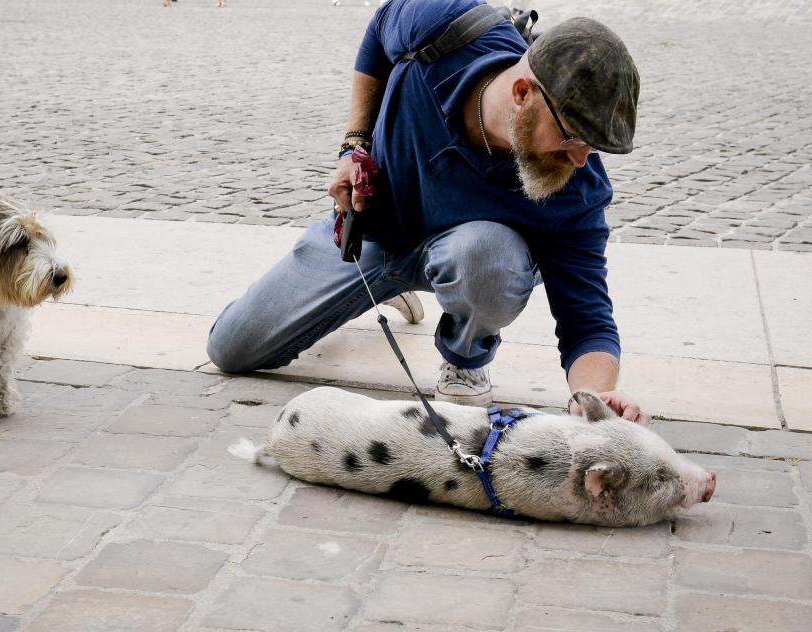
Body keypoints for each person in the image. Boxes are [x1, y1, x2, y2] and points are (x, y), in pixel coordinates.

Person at [207, 0, 650, 423]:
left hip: (468, 260)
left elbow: (587, 320)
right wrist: (355, 142)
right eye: (573, 137)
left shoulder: (579, 186)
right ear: (522, 93)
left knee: (488, 255)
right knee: (231, 350)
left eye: (594, 146)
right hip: (372, 234)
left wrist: (595, 398)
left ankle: (467, 351)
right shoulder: (447, 25)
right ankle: (383, 289)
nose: (580, 158)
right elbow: (381, 28)